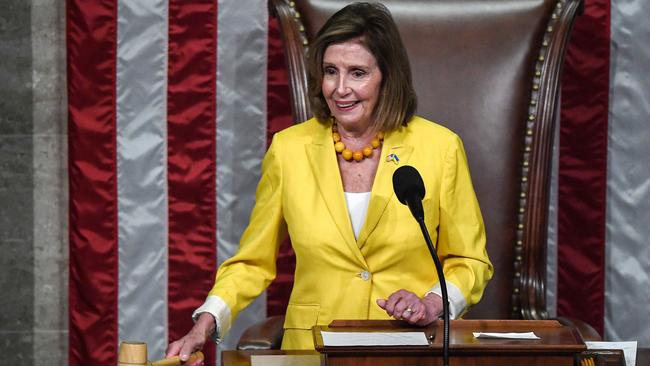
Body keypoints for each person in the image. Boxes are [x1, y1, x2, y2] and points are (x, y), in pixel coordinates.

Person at [166, 2, 493, 363]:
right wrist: (204, 324)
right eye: (330, 71)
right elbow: (251, 263)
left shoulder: (440, 148)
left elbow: (469, 260)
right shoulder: (289, 150)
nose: (339, 89)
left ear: (387, 76)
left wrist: (432, 302)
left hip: (409, 347)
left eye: (357, 73)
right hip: (313, 349)